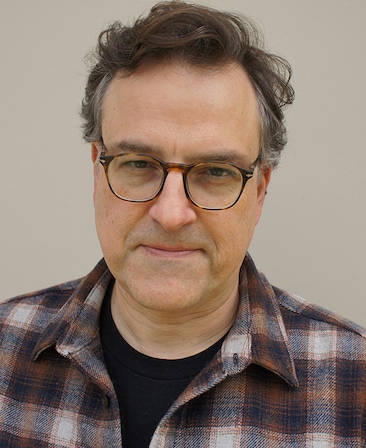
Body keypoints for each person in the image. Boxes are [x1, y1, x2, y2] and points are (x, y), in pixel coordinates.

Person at [0, 1, 365, 446]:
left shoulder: (355, 384)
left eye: (215, 171)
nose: (171, 214)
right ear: (98, 170)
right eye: (138, 164)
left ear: (260, 189)